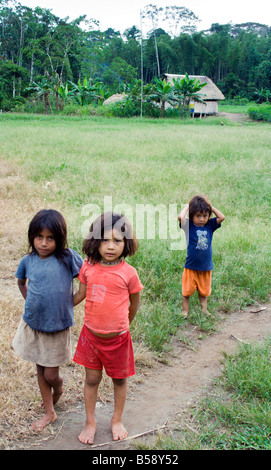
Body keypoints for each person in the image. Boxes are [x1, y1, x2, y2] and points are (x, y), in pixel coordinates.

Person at [73, 212, 143, 445]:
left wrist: (123, 326)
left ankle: (116, 419)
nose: (110, 246)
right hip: (91, 338)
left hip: (118, 340)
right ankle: (90, 421)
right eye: (104, 240)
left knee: (119, 380)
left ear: (127, 243)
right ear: (95, 241)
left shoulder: (129, 273)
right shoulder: (88, 268)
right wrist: (57, 303)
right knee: (91, 379)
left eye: (117, 241)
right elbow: (80, 295)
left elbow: (134, 303)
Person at [12, 209, 83, 431]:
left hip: (57, 326)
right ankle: (49, 412)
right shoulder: (28, 260)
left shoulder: (67, 258)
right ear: (32, 237)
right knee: (40, 369)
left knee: (51, 374)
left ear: (59, 238)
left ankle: (58, 388)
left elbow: (85, 280)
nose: (44, 243)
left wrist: (70, 302)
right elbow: (21, 282)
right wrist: (30, 300)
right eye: (39, 237)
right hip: (34, 324)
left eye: (50, 238)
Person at [178, 195, 225, 317]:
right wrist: (188, 206)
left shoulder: (210, 225)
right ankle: (185, 311)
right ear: (192, 215)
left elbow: (222, 217)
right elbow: (180, 217)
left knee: (204, 292)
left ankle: (204, 310)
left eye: (205, 216)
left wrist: (210, 207)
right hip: (191, 266)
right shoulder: (189, 226)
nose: (201, 219)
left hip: (206, 267)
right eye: (198, 216)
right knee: (187, 291)